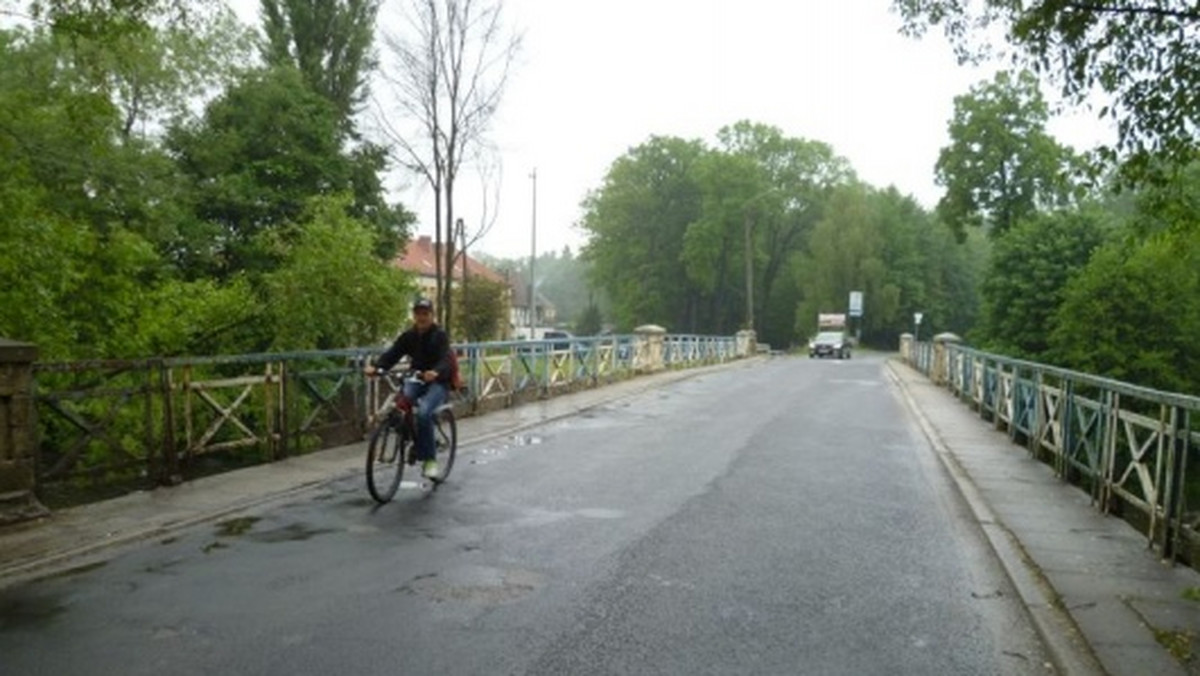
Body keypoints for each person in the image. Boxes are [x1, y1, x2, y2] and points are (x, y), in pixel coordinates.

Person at [364, 298, 451, 479]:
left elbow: (446, 359)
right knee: (400, 404)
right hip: (416, 378)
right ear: (414, 316)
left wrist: (435, 372)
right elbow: (393, 354)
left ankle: (430, 460)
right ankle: (411, 437)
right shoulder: (409, 336)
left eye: (425, 314)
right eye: (418, 314)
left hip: (438, 382)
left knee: (424, 412)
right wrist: (377, 367)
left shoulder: (439, 336)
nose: (421, 318)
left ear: (432, 316)